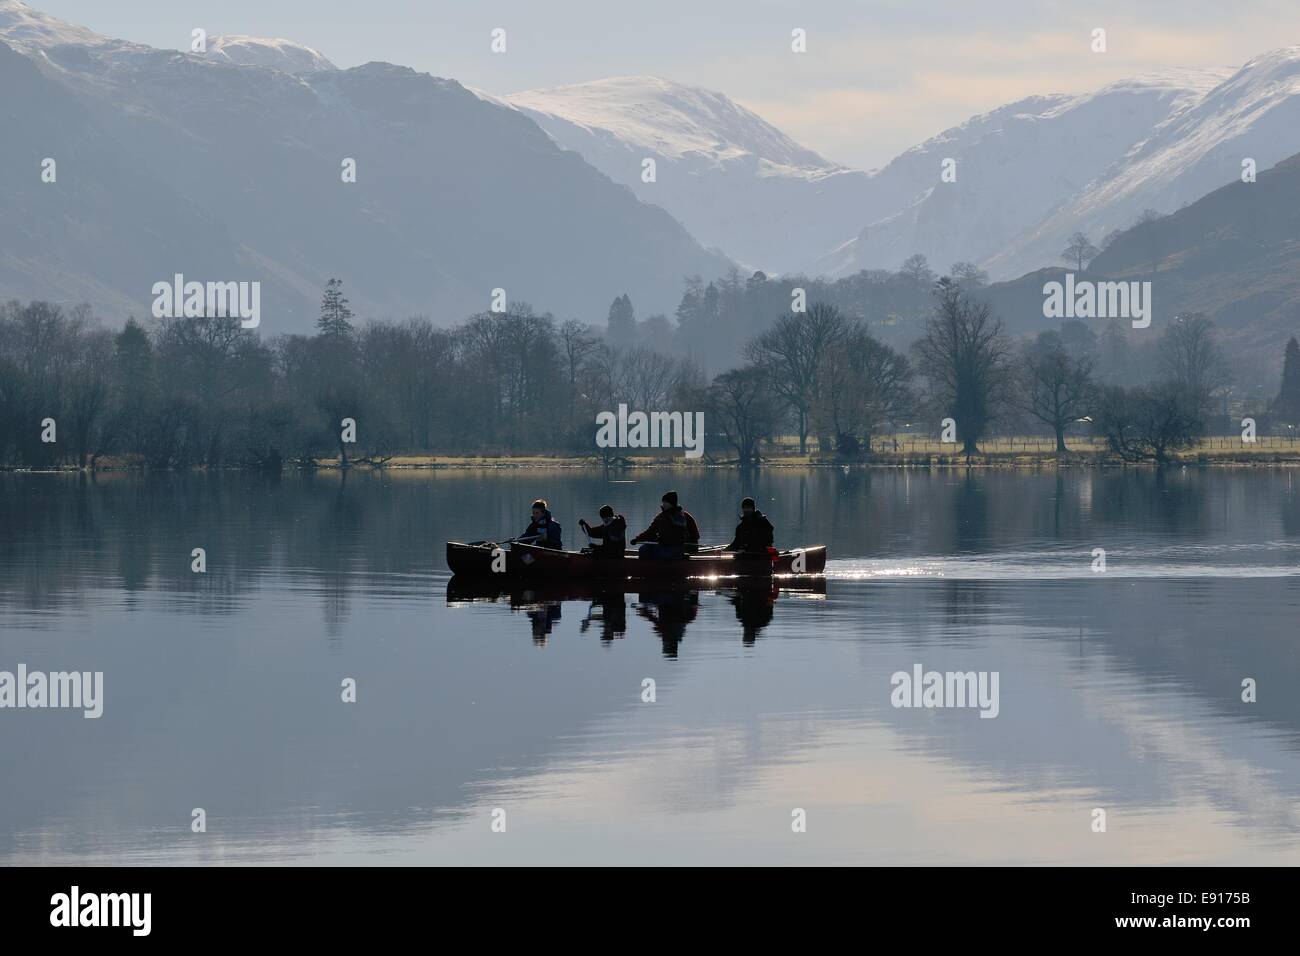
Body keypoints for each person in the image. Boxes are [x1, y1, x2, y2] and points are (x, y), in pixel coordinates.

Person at [630, 490, 700, 560]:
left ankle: (653, 567)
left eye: (664, 502)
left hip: (669, 550)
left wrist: (637, 539)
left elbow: (650, 532)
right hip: (681, 549)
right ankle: (679, 558)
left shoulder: (662, 517)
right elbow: (695, 536)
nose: (663, 504)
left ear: (669, 503)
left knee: (643, 549)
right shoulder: (685, 515)